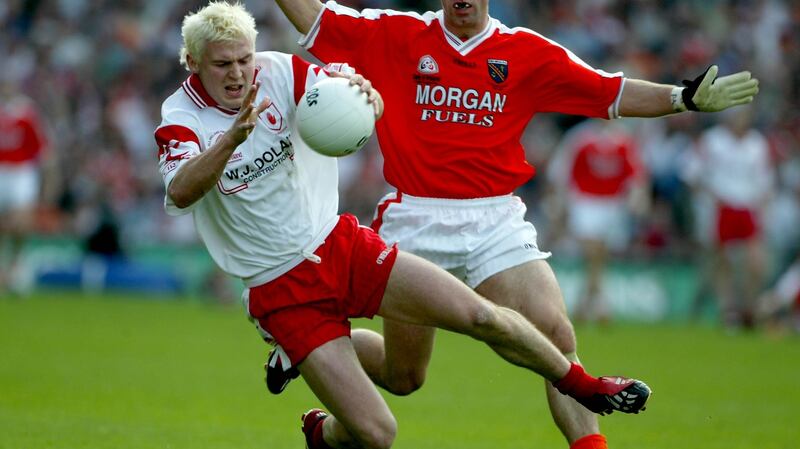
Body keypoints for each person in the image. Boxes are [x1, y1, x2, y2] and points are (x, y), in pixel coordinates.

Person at [156, 2, 651, 448]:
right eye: (223, 64)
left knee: (481, 317)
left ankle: (586, 385)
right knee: (379, 430)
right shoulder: (180, 117)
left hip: (339, 245)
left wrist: (356, 91)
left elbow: (335, 83)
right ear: (194, 63)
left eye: (245, 58)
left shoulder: (280, 72)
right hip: (280, 287)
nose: (239, 73)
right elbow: (180, 190)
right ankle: (320, 428)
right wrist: (230, 141)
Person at [270, 1, 759, 448]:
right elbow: (314, 18)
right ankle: (317, 389)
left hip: (494, 219)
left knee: (555, 334)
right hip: (415, 216)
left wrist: (683, 98)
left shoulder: (525, 52)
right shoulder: (395, 34)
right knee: (405, 377)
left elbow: (609, 92)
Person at [547, 120, 648, 323]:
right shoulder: (580, 138)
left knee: (599, 257)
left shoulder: (623, 140)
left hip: (612, 205)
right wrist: (562, 202)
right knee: (593, 253)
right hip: (585, 203)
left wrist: (637, 196)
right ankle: (600, 306)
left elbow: (635, 175)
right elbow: (561, 172)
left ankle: (585, 304)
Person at [686, 106, 775, 329]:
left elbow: (765, 181)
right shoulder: (713, 141)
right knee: (722, 261)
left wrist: (762, 210)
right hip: (721, 206)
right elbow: (692, 173)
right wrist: (707, 200)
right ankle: (728, 309)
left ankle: (748, 307)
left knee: (756, 264)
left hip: (747, 207)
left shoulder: (757, 144)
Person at [0, 79, 50, 295]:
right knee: (5, 224)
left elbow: (41, 147)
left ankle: (16, 266)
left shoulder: (26, 112)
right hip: (2, 169)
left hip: (21, 171)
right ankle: (5, 271)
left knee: (20, 222)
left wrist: (48, 178)